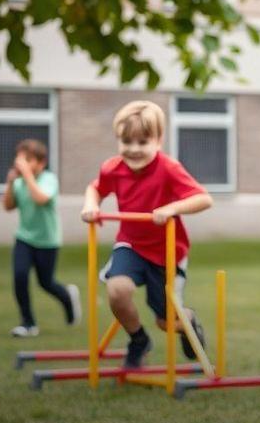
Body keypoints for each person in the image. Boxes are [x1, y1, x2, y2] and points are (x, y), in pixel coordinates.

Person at [80, 101, 213, 368]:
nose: (134, 149)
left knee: (165, 322)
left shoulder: (168, 168)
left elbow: (203, 199)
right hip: (130, 244)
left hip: (167, 252)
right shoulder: (112, 168)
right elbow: (95, 188)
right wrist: (91, 205)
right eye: (127, 141)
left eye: (143, 142)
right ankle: (138, 340)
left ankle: (187, 320)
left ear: (158, 140)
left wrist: (172, 207)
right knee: (117, 290)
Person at [3, 139, 80, 336]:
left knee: (46, 282)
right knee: (20, 276)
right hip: (24, 238)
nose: (23, 164)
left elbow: (40, 199)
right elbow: (8, 206)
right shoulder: (19, 183)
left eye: (29, 160)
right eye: (21, 159)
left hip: (47, 241)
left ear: (41, 162)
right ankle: (28, 323)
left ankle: (68, 298)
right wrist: (10, 184)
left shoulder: (49, 179)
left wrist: (26, 175)